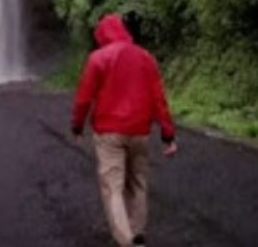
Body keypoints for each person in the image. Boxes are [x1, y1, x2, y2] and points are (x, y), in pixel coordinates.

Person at [71, 14, 178, 247]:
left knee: (113, 186)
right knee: (138, 183)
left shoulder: (98, 58)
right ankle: (137, 233)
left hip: (109, 132)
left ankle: (125, 241)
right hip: (140, 131)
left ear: (102, 35)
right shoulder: (146, 57)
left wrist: (77, 127)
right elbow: (159, 99)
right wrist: (168, 135)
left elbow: (83, 99)